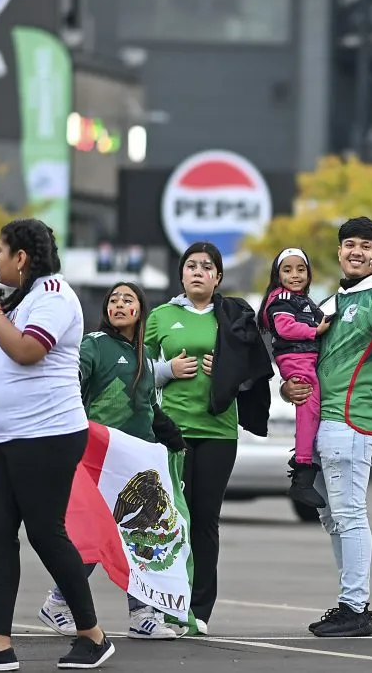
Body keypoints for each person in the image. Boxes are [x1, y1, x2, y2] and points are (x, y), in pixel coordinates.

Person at [0, 219, 114, 670]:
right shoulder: (25, 299)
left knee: (44, 532)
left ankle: (93, 636)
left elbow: (28, 352)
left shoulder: (56, 295)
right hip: (9, 436)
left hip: (49, 435)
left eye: (1, 250)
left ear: (21, 258)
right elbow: (9, 355)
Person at [281, 217, 372, 637]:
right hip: (320, 425)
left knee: (348, 515)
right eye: (349, 244)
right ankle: (352, 601)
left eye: (366, 245)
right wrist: (288, 387)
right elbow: (306, 360)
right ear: (340, 251)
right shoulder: (329, 302)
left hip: (349, 422)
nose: (357, 251)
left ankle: (355, 606)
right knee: (331, 517)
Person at [37, 282, 188, 640]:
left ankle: (141, 615)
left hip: (137, 460)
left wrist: (171, 436)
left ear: (140, 310)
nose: (119, 305)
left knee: (141, 536)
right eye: (113, 300)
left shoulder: (142, 355)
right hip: (98, 459)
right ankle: (57, 602)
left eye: (128, 300)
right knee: (96, 535)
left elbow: (147, 407)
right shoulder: (94, 345)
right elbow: (69, 384)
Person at [147, 242, 273, 635]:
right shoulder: (160, 316)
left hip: (218, 431)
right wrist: (167, 369)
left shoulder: (232, 315)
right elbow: (137, 371)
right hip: (173, 433)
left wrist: (226, 368)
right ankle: (167, 603)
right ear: (181, 275)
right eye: (191, 266)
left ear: (218, 277)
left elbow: (254, 369)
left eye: (207, 267)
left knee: (204, 520)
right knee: (172, 522)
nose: (198, 271)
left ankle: (199, 610)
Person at [260, 248, 331, 509]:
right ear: (277, 275)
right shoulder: (281, 299)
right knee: (308, 407)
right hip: (296, 360)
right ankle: (302, 473)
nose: (295, 275)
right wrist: (315, 331)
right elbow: (285, 328)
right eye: (287, 270)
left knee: (312, 409)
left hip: (305, 359)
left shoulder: (304, 300)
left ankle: (303, 465)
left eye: (301, 269)